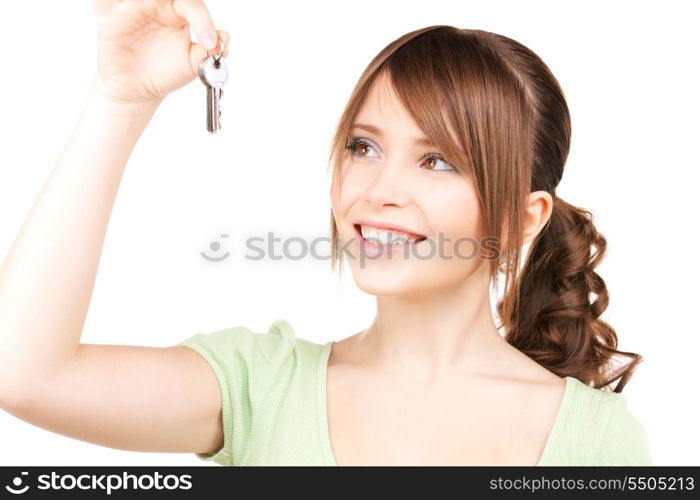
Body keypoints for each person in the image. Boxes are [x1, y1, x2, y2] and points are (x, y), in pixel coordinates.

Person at [0, 0, 652, 466]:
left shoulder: (595, 440)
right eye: (364, 147)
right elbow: (21, 374)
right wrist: (122, 97)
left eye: (437, 160)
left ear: (521, 218)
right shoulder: (261, 386)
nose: (378, 190)